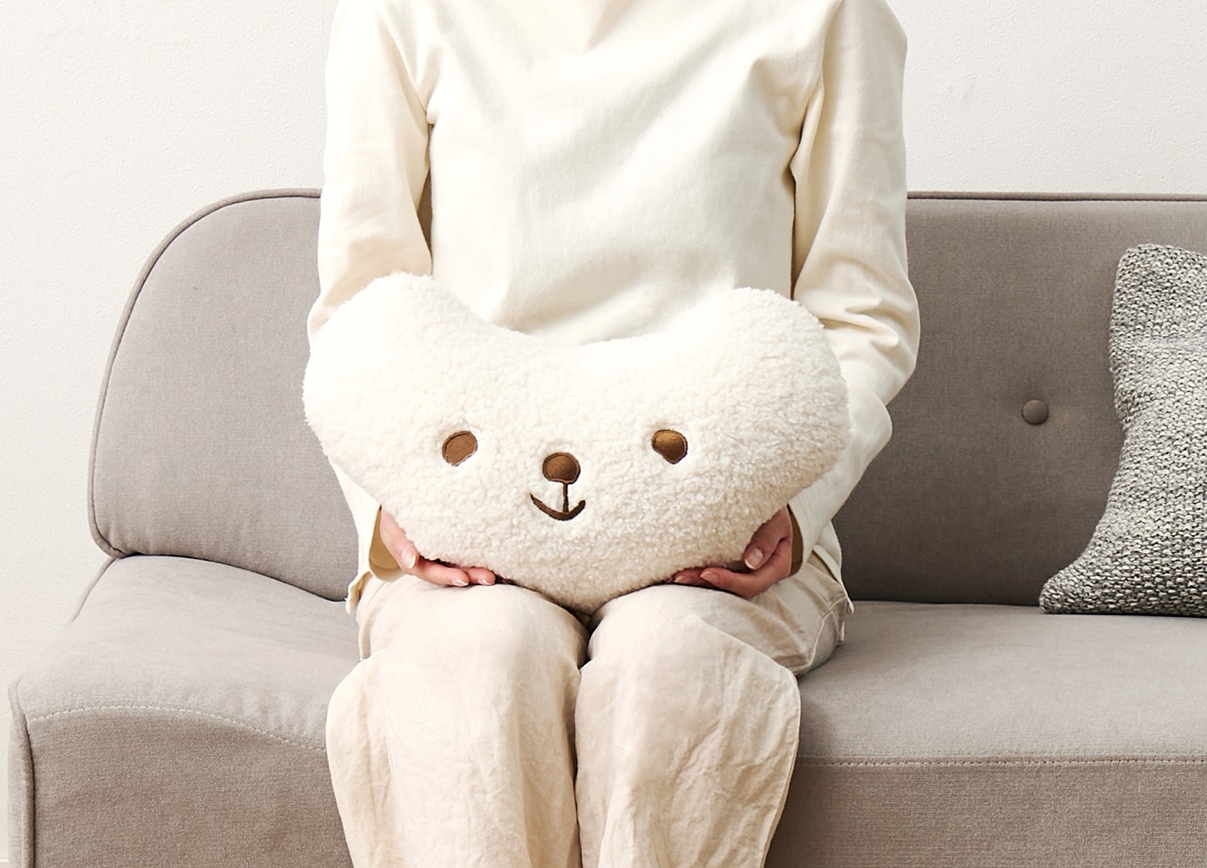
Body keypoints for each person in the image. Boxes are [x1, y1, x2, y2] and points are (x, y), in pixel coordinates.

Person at [310, 0, 919, 864]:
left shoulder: (826, 13)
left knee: (665, 660)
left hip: (723, 537)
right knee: (481, 657)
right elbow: (364, 310)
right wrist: (393, 509)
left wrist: (796, 504)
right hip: (476, 530)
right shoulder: (400, 12)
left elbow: (862, 315)